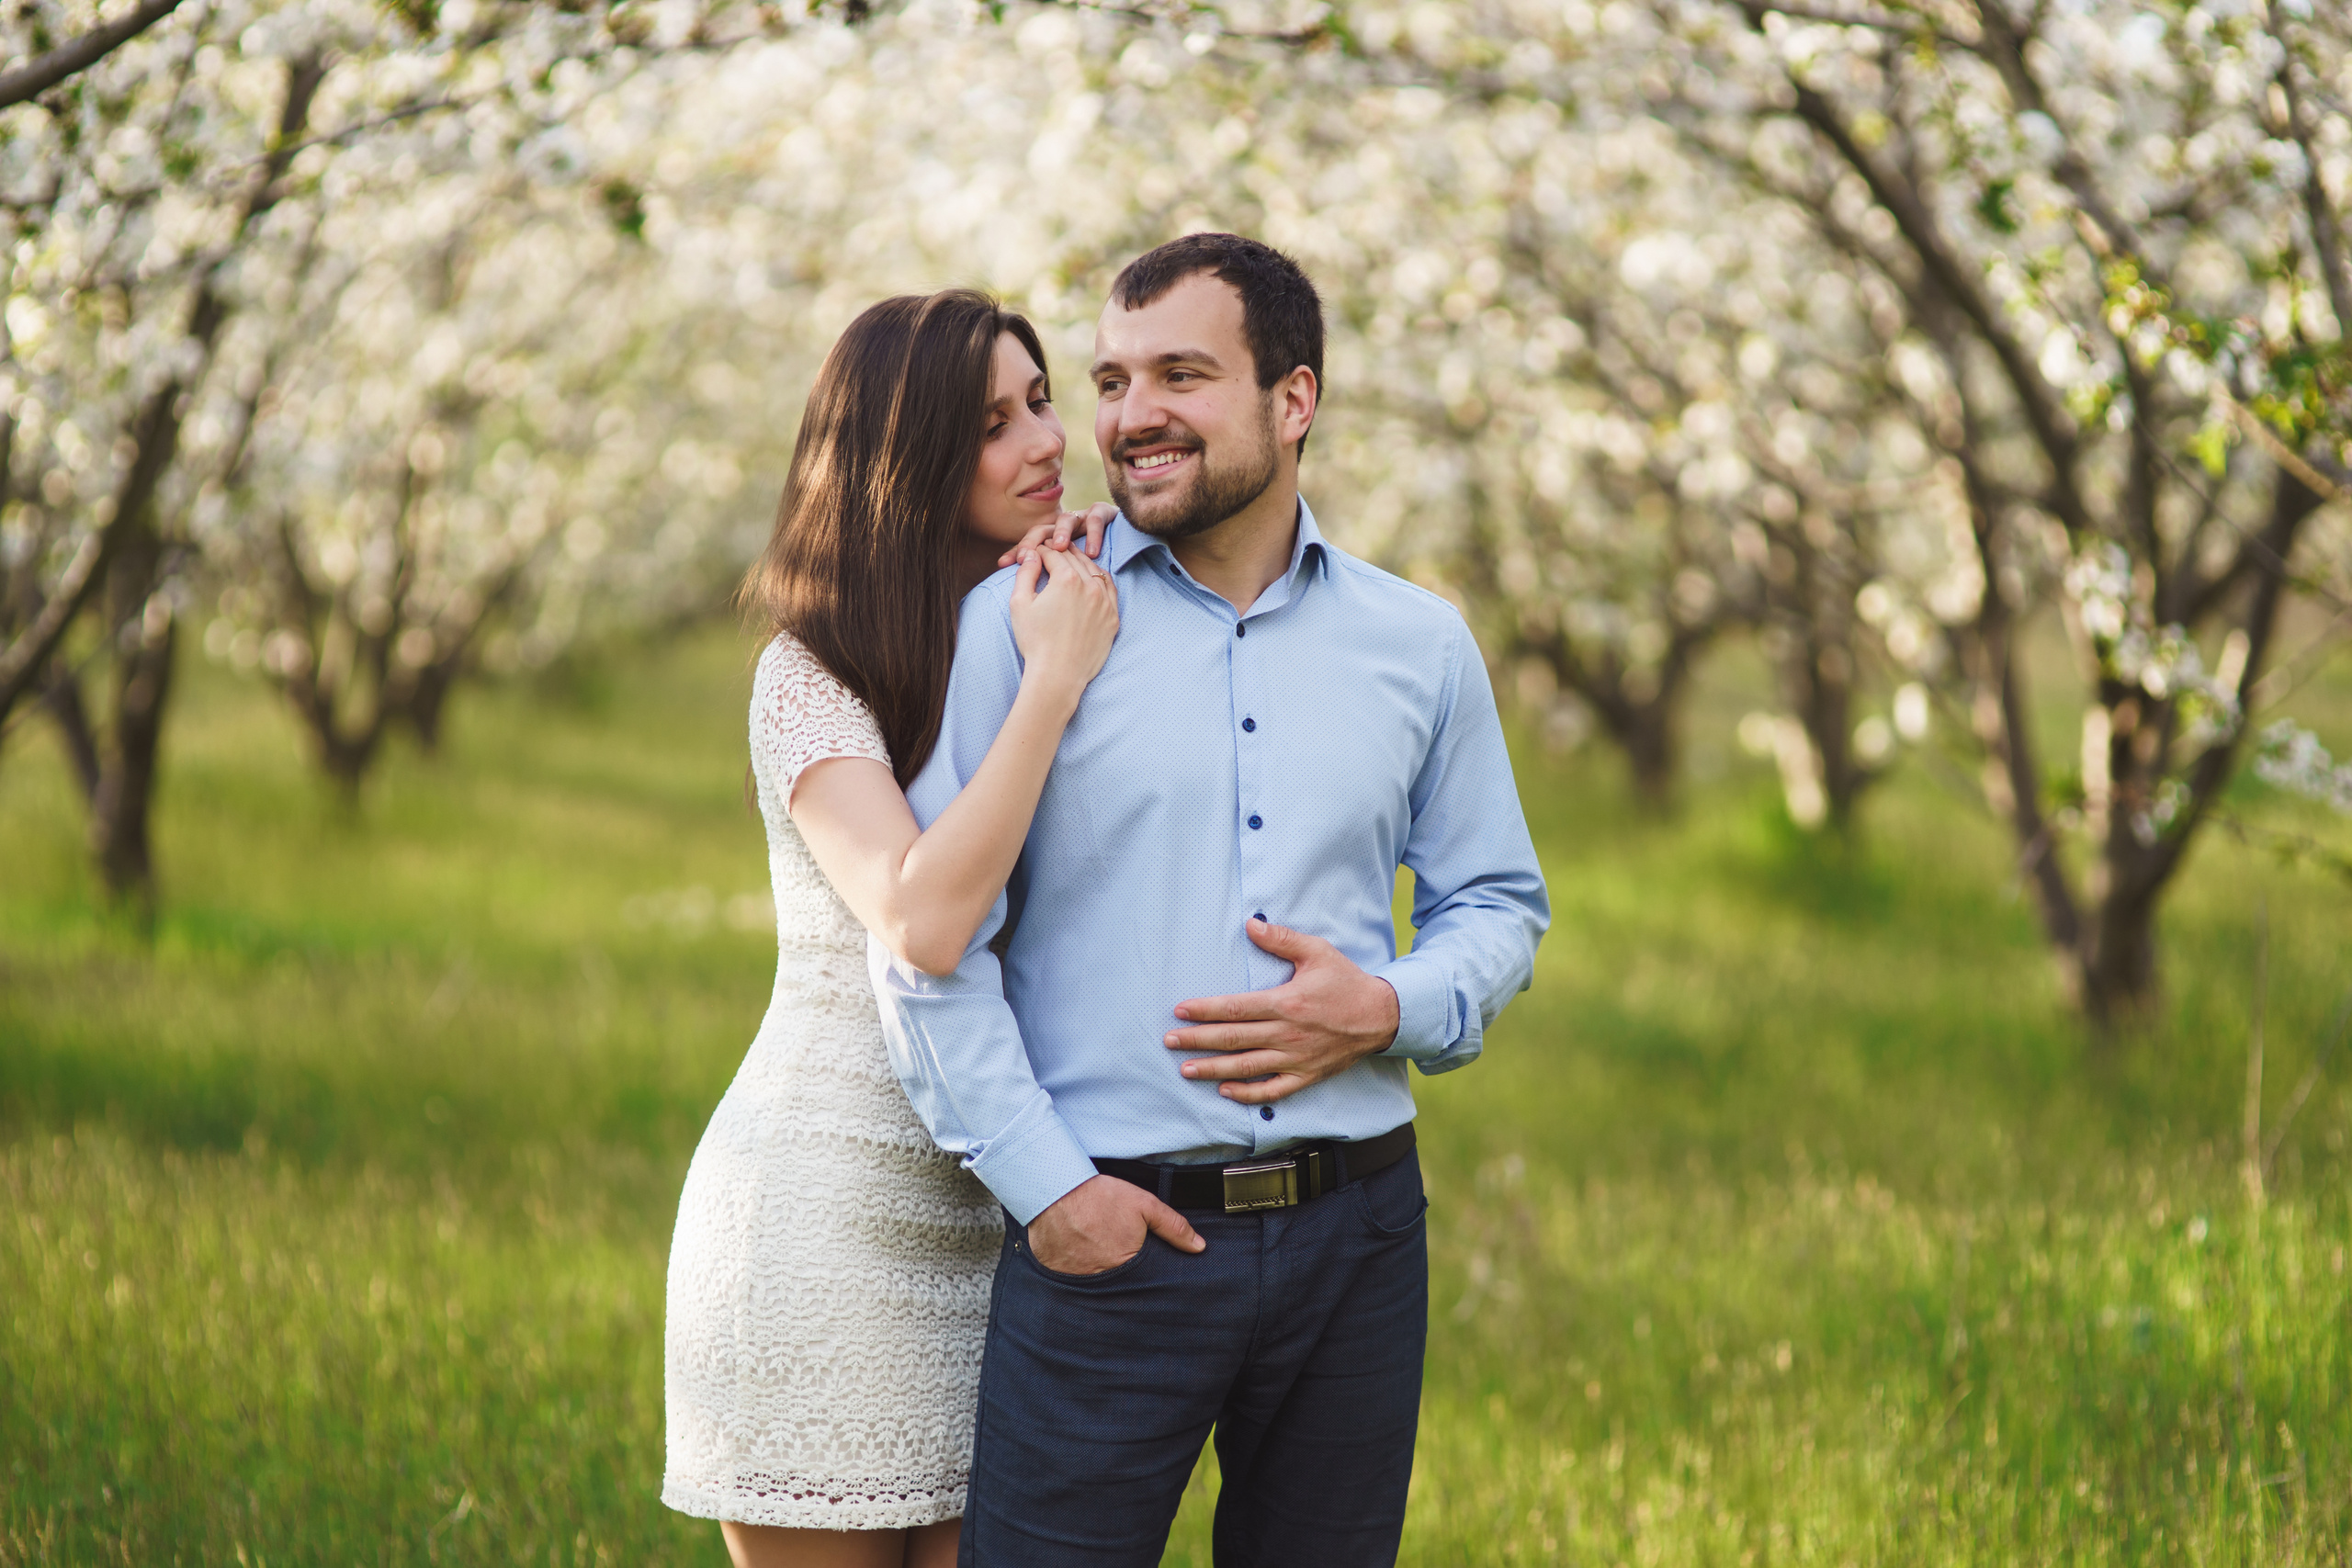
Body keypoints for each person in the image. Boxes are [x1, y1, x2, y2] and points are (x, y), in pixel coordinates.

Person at [872, 233, 1551, 1567]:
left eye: (1182, 374)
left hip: (1360, 1236)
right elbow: (933, 953)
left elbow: (1498, 900)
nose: (1131, 418)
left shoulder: (1418, 644)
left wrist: (1391, 1004)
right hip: (1112, 1237)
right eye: (1114, 380)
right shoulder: (1024, 621)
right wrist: (1049, 1191)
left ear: (1293, 402)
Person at [662, 288, 1121, 1568]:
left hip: (1000, 1212)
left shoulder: (1035, 613)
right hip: (823, 1220)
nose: (1045, 441)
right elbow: (921, 917)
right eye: (992, 423)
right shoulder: (809, 672)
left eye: (1042, 402)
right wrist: (1056, 683)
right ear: (905, 456)